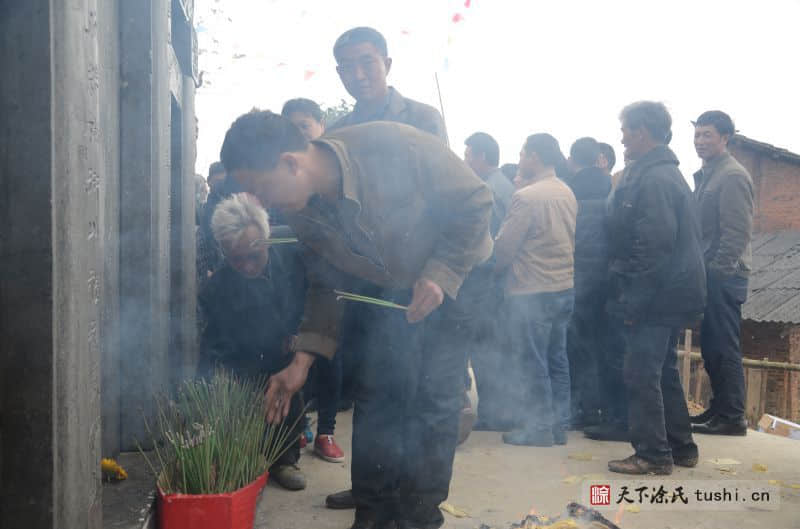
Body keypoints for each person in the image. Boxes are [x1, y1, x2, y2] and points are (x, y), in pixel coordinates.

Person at [219, 111, 493, 529]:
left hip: (457, 276)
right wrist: (302, 361)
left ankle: (419, 515)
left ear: (290, 163)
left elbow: (476, 201)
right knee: (378, 394)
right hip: (386, 285)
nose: (264, 203)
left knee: (432, 399)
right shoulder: (301, 211)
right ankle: (374, 512)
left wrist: (442, 272)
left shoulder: (394, 144)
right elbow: (326, 282)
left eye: (262, 189)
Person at [606, 101, 705, 475]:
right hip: (670, 293)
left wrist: (634, 302)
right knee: (663, 370)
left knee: (641, 372)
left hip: (656, 295)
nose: (622, 139)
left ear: (642, 132)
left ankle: (652, 454)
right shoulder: (664, 174)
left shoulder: (655, 179)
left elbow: (653, 248)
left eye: (626, 131)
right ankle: (681, 447)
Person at [199, 192, 307, 490]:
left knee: (287, 398)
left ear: (267, 239)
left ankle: (284, 459)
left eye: (255, 256)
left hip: (286, 349)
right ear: (223, 251)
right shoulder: (216, 289)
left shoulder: (294, 255)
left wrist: (301, 334)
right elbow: (214, 350)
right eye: (237, 259)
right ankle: (248, 455)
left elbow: (315, 298)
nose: (248, 267)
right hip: (243, 359)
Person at [495, 133, 577, 447]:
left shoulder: (527, 196)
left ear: (535, 157)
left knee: (533, 360)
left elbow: (505, 248)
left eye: (522, 153)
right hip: (563, 287)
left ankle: (539, 428)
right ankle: (558, 426)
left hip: (532, 289)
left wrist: (493, 271)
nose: (519, 159)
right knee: (557, 358)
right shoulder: (566, 192)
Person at [280, 97, 347, 464]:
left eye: (304, 125)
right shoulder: (282, 175)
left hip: (334, 283)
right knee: (295, 350)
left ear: (321, 126)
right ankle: (300, 424)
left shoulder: (335, 175)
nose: (299, 134)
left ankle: (326, 431)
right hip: (296, 280)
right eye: (291, 128)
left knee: (330, 356)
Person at [690, 111, 753, 436]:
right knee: (712, 345)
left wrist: (717, 273)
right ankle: (719, 409)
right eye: (697, 135)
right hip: (711, 272)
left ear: (725, 138)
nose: (700, 141)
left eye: (707, 135)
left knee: (724, 345)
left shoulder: (732, 175)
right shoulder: (709, 174)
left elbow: (736, 233)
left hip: (725, 274)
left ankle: (732, 417)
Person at [462, 132, 515, 431]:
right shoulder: (505, 185)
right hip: (502, 283)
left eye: (468, 154)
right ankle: (500, 410)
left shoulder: (488, 190)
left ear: (481, 156)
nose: (466, 160)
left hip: (487, 282)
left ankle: (494, 413)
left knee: (485, 349)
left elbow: (485, 241)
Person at [564, 138, 611, 430]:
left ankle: (581, 410)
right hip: (607, 281)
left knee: (577, 347)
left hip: (578, 278)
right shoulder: (612, 189)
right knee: (599, 345)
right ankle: (599, 408)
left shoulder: (568, 191)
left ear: (572, 160)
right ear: (598, 159)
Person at [327, 26, 446, 140]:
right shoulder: (335, 135)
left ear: (387, 65)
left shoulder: (423, 118)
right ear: (339, 73)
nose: (359, 76)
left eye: (368, 63)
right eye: (348, 67)